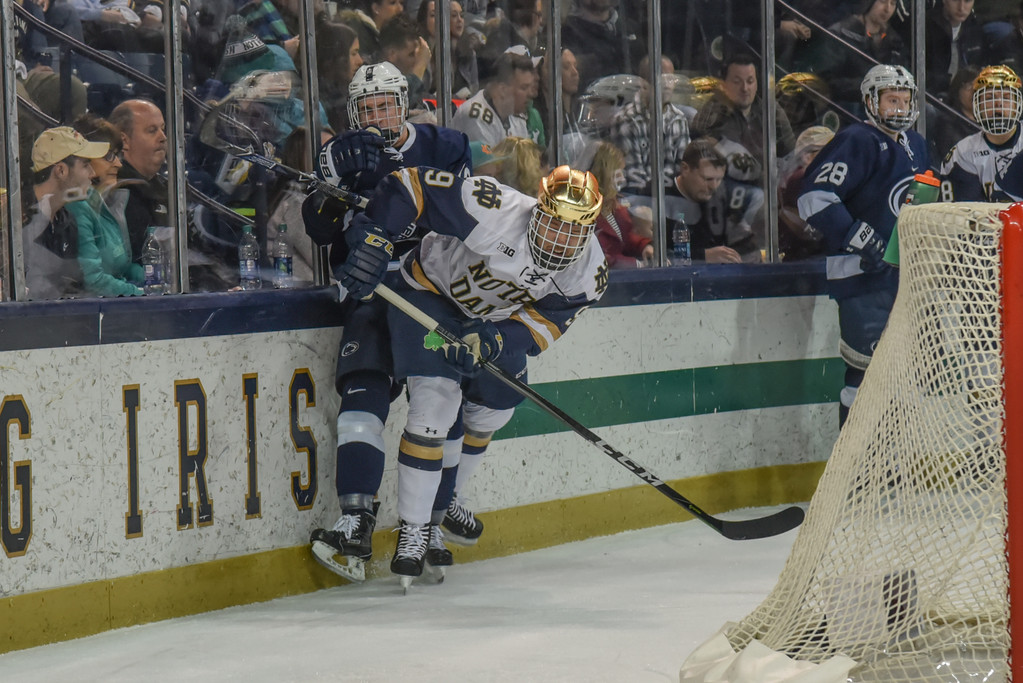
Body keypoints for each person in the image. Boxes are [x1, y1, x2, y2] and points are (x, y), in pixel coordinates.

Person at [331, 165, 607, 586]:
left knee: (495, 411)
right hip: (429, 295)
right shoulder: (493, 207)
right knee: (433, 408)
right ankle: (414, 530)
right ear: (539, 211)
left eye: (573, 232)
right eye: (554, 224)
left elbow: (541, 324)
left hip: (488, 322)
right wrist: (375, 234)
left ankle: (444, 503)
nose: (560, 240)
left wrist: (496, 339)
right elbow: (410, 185)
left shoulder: (589, 272)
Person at [303, 61, 472, 583]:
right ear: (355, 113)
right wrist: (332, 180)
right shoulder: (342, 156)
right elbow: (318, 227)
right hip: (372, 293)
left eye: (386, 104)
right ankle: (356, 521)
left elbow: (464, 217)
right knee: (361, 403)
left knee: (442, 409)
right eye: (367, 107)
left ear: (405, 103)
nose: (377, 115)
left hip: (433, 293)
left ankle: (431, 521)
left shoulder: (446, 146)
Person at [798, 64, 930, 427]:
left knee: (904, 379)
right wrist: (857, 236)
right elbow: (813, 197)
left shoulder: (916, 144)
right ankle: (855, 475)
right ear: (871, 101)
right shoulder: (857, 139)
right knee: (865, 379)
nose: (900, 108)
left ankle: (894, 469)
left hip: (905, 280)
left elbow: (918, 205)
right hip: (862, 278)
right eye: (891, 99)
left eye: (904, 100)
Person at [22, 126, 109, 300]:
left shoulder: (66, 219)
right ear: (61, 170)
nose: (93, 174)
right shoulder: (16, 220)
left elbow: (72, 286)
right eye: (85, 166)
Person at [66, 115, 145, 297]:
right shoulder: (76, 209)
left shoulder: (103, 203)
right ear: (84, 159)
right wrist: (142, 294)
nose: (118, 164)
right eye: (109, 156)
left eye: (117, 155)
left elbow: (122, 268)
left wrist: (156, 280)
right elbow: (94, 282)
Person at [691, 54, 796, 180]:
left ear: (757, 83)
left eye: (750, 81)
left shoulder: (771, 111)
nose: (745, 88)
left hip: (769, 183)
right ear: (724, 85)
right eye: (737, 82)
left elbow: (791, 153)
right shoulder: (713, 114)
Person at [662, 138, 761, 265]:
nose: (714, 186)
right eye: (708, 179)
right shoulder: (658, 196)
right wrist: (703, 257)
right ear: (685, 169)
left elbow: (744, 242)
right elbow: (650, 254)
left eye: (719, 179)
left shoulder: (720, 196)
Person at [941, 65, 1023, 201]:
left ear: (1017, 104)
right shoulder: (961, 154)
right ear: (977, 105)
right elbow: (959, 214)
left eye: (1007, 97)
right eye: (990, 98)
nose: (999, 104)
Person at [107, 98, 168, 263]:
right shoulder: (120, 192)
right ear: (124, 140)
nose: (163, 137)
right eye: (151, 130)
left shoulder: (169, 187)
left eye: (163, 129)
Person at [609, 73, 691, 195]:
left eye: (671, 78)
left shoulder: (678, 118)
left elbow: (683, 166)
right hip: (635, 193)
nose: (668, 85)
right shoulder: (626, 119)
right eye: (662, 78)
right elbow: (632, 175)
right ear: (644, 84)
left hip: (671, 193)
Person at [587, 141, 653, 268]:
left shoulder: (613, 205)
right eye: (618, 173)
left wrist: (645, 246)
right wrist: (637, 264)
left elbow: (626, 238)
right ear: (605, 174)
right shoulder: (588, 211)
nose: (622, 178)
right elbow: (604, 256)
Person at [449, 52, 534, 147]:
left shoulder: (517, 117)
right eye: (524, 88)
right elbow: (487, 161)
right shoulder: (475, 116)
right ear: (503, 89)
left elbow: (526, 159)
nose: (531, 94)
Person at [779, 125, 834, 261]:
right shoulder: (801, 178)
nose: (834, 155)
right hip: (805, 258)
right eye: (826, 150)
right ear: (806, 156)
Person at [924, 0, 987, 97]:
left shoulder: (975, 28)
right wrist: (948, 81)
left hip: (969, 96)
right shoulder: (925, 26)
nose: (961, 8)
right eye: (955, 0)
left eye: (967, 1)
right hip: (932, 97)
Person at [339, 0, 405, 62]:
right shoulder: (356, 29)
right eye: (392, 3)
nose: (400, 9)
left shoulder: (393, 32)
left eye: (401, 3)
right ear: (376, 8)